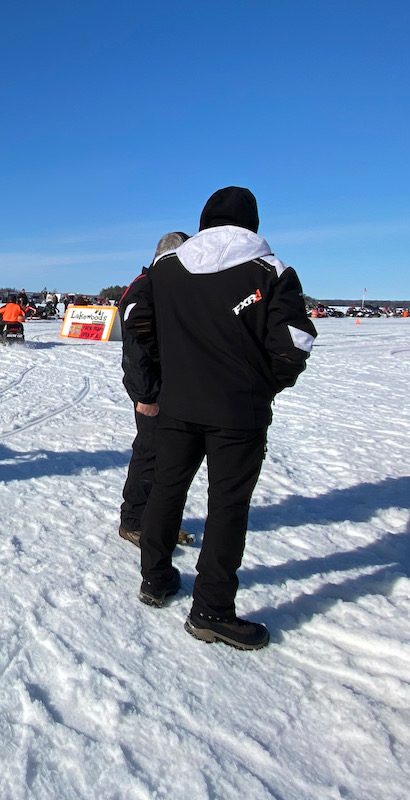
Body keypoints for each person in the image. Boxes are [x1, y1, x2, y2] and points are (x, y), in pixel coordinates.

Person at [128, 187, 316, 650]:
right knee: (227, 507)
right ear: (252, 223)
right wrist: (263, 384)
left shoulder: (167, 268)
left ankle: (155, 579)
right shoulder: (272, 271)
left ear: (205, 220)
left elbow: (134, 316)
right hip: (238, 414)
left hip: (177, 406)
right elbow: (294, 342)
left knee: (167, 490)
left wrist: (167, 374)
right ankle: (212, 609)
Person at [116, 232, 193, 548]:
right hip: (153, 390)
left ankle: (163, 519)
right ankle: (133, 521)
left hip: (176, 387)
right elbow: (136, 349)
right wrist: (146, 395)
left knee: (175, 458)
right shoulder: (145, 289)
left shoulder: (172, 287)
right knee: (151, 453)